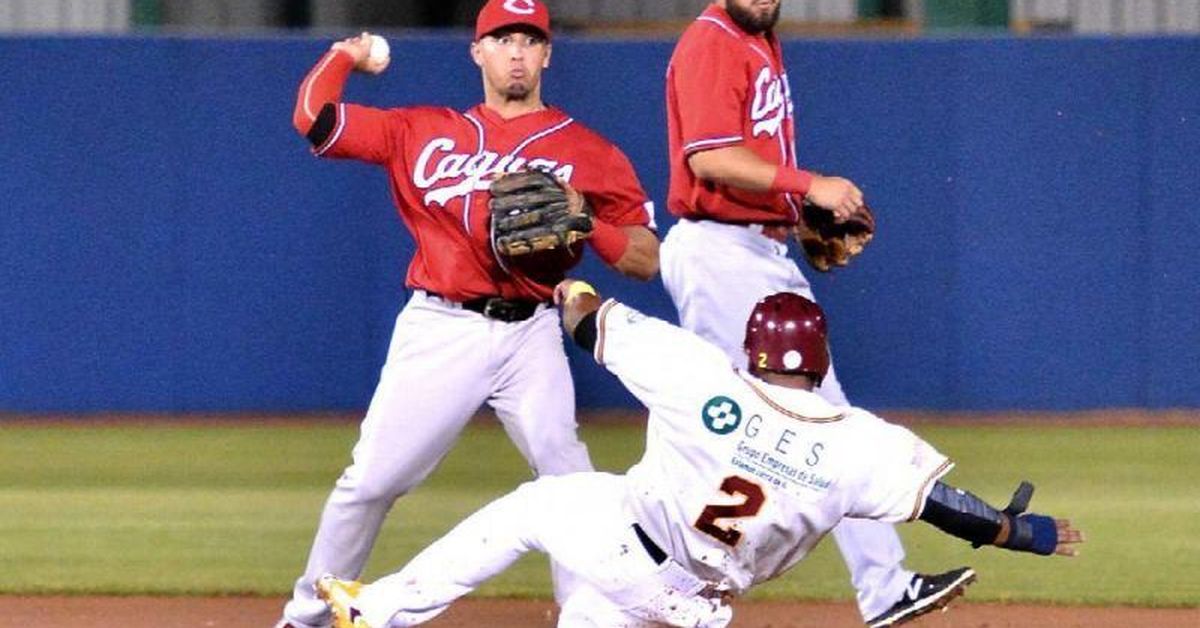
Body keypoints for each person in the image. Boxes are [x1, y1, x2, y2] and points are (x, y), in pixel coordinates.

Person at [315, 281, 1084, 628]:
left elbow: (587, 324)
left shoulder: (704, 376)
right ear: (819, 361)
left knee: (533, 507)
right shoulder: (860, 442)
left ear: (754, 351)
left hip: (628, 547)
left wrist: (571, 286)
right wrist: (1022, 532)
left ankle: (376, 611)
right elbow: (945, 506)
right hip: (700, 603)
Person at [277, 1, 660, 626]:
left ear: (547, 54)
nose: (517, 53)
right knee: (371, 483)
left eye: (529, 40)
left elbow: (645, 258)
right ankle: (305, 619)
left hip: (532, 331)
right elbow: (312, 119)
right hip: (442, 325)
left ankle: (588, 617)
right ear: (477, 51)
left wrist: (588, 222)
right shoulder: (422, 130)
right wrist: (345, 54)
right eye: (503, 39)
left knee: (569, 478)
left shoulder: (590, 151)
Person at [659, 1, 959, 625]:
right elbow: (708, 159)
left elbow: (746, 162)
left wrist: (793, 217)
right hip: (721, 252)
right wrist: (807, 185)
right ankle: (665, 578)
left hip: (751, 249)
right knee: (747, 423)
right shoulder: (713, 40)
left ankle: (882, 586)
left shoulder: (759, 38)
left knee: (783, 420)